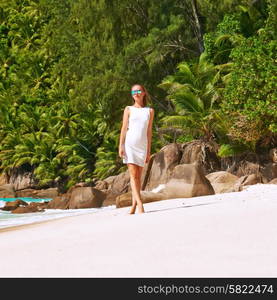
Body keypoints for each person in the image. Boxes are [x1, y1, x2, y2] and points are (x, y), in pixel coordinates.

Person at [118, 84, 155, 214]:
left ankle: (133, 206)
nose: (136, 93)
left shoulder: (149, 111)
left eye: (139, 91)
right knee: (133, 176)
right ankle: (140, 205)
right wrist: (121, 145)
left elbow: (149, 132)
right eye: (134, 91)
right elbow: (123, 128)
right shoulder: (128, 109)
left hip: (142, 146)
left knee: (138, 177)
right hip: (130, 145)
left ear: (144, 93)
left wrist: (149, 151)